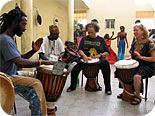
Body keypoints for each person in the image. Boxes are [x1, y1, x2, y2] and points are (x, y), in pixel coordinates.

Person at [0, 7, 55, 116]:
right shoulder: (5, 40)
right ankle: (41, 112)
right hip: (5, 79)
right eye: (24, 24)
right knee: (36, 85)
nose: (25, 28)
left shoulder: (10, 38)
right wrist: (42, 62)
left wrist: (33, 50)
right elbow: (20, 62)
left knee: (36, 75)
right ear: (15, 23)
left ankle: (45, 106)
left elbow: (19, 57)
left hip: (12, 74)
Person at [66, 23, 112, 95]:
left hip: (98, 60)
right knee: (74, 63)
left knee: (105, 63)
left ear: (96, 31)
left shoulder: (101, 40)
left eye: (92, 32)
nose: (90, 34)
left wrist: (99, 55)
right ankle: (72, 86)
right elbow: (80, 50)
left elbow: (107, 52)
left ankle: (108, 88)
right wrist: (84, 56)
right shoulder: (84, 39)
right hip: (85, 59)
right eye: (88, 32)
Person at [116, 23, 155, 105]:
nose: (134, 32)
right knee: (119, 72)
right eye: (134, 30)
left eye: (136, 30)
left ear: (142, 31)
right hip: (136, 64)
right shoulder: (135, 43)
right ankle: (127, 91)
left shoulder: (149, 43)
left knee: (137, 76)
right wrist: (129, 58)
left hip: (148, 65)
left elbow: (153, 58)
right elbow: (132, 55)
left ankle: (137, 96)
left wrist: (140, 57)